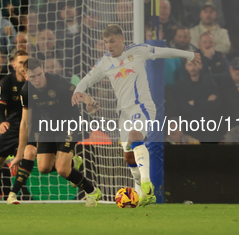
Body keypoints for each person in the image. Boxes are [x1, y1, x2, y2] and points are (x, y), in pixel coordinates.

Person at [72, 24, 201, 206]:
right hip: (123, 113)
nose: (109, 45)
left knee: (135, 137)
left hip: (142, 106)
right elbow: (86, 80)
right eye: (106, 42)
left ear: (122, 39)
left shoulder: (139, 51)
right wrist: (78, 92)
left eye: (112, 41)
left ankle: (148, 185)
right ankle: (142, 191)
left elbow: (164, 51)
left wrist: (189, 55)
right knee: (128, 156)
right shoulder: (105, 62)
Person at [13, 58, 101, 207]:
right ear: (26, 75)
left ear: (44, 71)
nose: (37, 79)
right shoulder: (26, 91)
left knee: (62, 170)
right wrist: (19, 153)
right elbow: (25, 122)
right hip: (47, 127)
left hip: (69, 124)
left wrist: (89, 101)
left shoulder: (59, 83)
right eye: (33, 77)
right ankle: (73, 162)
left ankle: (92, 192)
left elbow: (79, 94)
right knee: (43, 168)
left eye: (39, 74)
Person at [0, 50, 28, 204]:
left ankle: (13, 195)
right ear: (14, 64)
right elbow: (0, 108)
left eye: (26, 63)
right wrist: (2, 121)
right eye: (21, 63)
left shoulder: (34, 82)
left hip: (31, 126)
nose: (24, 66)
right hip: (13, 126)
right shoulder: (7, 82)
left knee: (31, 155)